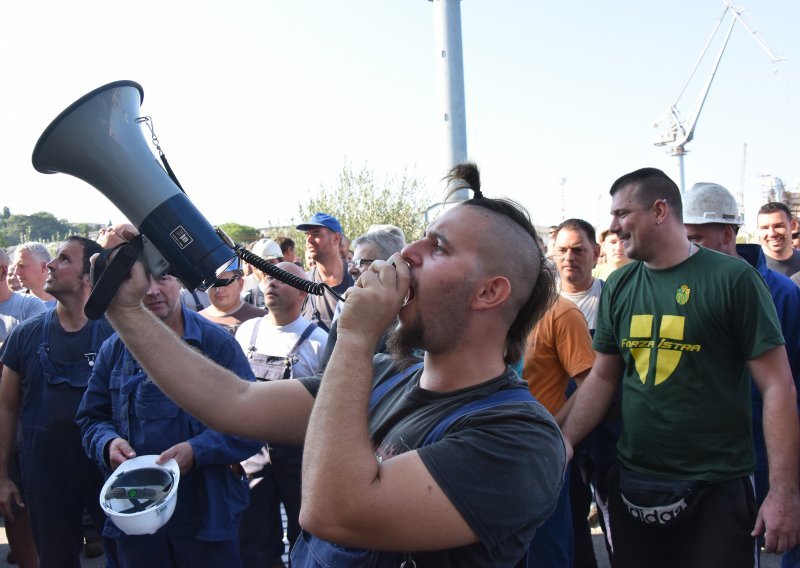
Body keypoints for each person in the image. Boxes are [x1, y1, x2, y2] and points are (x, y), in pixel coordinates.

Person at [97, 162, 566, 566]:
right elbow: (233, 401)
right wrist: (127, 311)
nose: (406, 255)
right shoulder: (386, 373)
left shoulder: (520, 438)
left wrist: (357, 336)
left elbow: (334, 511)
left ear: (490, 292)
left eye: (438, 248)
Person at [562, 167, 800, 567]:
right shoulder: (621, 285)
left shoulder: (734, 279)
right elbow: (603, 377)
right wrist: (563, 443)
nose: (614, 227)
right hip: (636, 485)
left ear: (659, 211)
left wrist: (783, 494)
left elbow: (778, 386)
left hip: (717, 488)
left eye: (623, 214)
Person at [77, 271, 262, 568]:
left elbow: (252, 426)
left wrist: (196, 451)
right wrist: (108, 443)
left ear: (179, 281)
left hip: (206, 513)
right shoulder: (114, 349)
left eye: (163, 278)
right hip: (134, 512)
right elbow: (90, 418)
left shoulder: (216, 345)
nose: (152, 290)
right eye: (141, 280)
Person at [683, 181, 800, 567]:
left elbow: (790, 382)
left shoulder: (781, 294)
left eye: (696, 237)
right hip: (709, 456)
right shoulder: (685, 290)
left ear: (727, 234)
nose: (688, 249)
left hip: (768, 450)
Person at [0, 236, 116, 567]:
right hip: (42, 470)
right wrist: (2, 475)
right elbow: (6, 405)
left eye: (63, 259)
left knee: (123, 555)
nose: (50, 264)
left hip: (105, 467)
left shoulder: (116, 334)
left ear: (88, 277)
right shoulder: (25, 335)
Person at [234, 262, 328, 568]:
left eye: (282, 278)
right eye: (268, 277)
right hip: (251, 450)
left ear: (303, 292)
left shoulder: (319, 341)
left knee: (305, 534)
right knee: (254, 536)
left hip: (301, 455)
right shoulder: (247, 331)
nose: (271, 282)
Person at [521, 295, 595, 568]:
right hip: (498, 452)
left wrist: (553, 426)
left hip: (543, 456)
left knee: (545, 552)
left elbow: (589, 383)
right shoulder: (493, 310)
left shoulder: (560, 312)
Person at [297, 213, 353, 332]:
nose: (309, 240)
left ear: (336, 238)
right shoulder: (303, 283)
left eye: (316, 234)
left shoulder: (356, 279)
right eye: (307, 235)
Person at [199, 261, 267, 335]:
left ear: (240, 284)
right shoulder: (196, 320)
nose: (219, 289)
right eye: (212, 283)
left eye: (225, 282)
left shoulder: (261, 319)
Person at [757, 202, 800, 279]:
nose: (772, 233)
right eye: (765, 228)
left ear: (792, 225)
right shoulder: (753, 270)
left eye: (778, 226)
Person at [242, 238, 284, 308]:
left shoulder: (290, 294)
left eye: (271, 262)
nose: (267, 267)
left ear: (281, 263)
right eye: (262, 263)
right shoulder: (248, 298)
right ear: (255, 268)